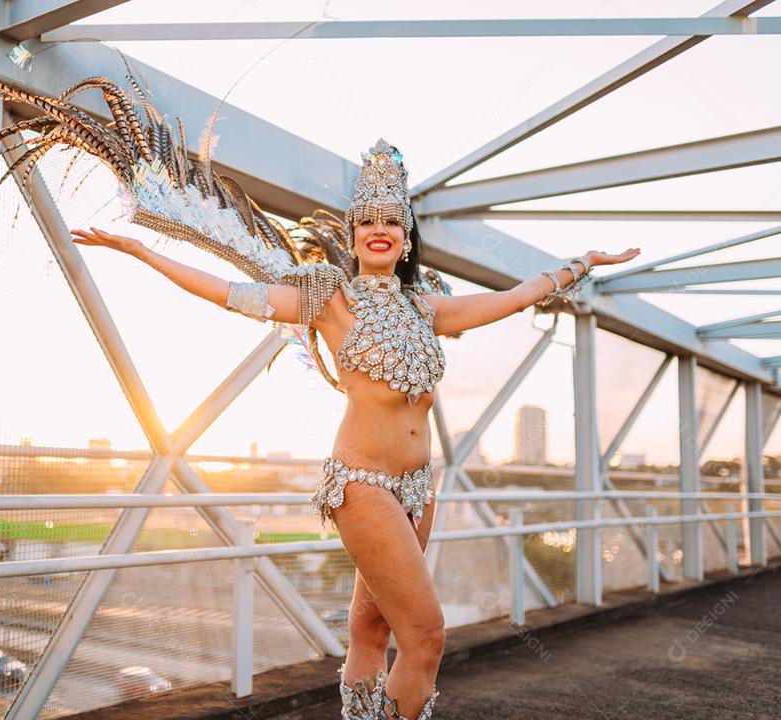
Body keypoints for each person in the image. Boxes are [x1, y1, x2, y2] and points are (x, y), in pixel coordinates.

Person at [70, 139, 641, 719]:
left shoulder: (427, 308)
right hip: (362, 482)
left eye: (391, 221)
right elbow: (231, 295)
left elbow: (515, 298)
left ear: (406, 236)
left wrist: (581, 264)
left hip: (419, 487)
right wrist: (143, 252)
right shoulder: (328, 300)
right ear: (351, 234)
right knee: (427, 634)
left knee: (373, 631)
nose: (379, 230)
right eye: (366, 220)